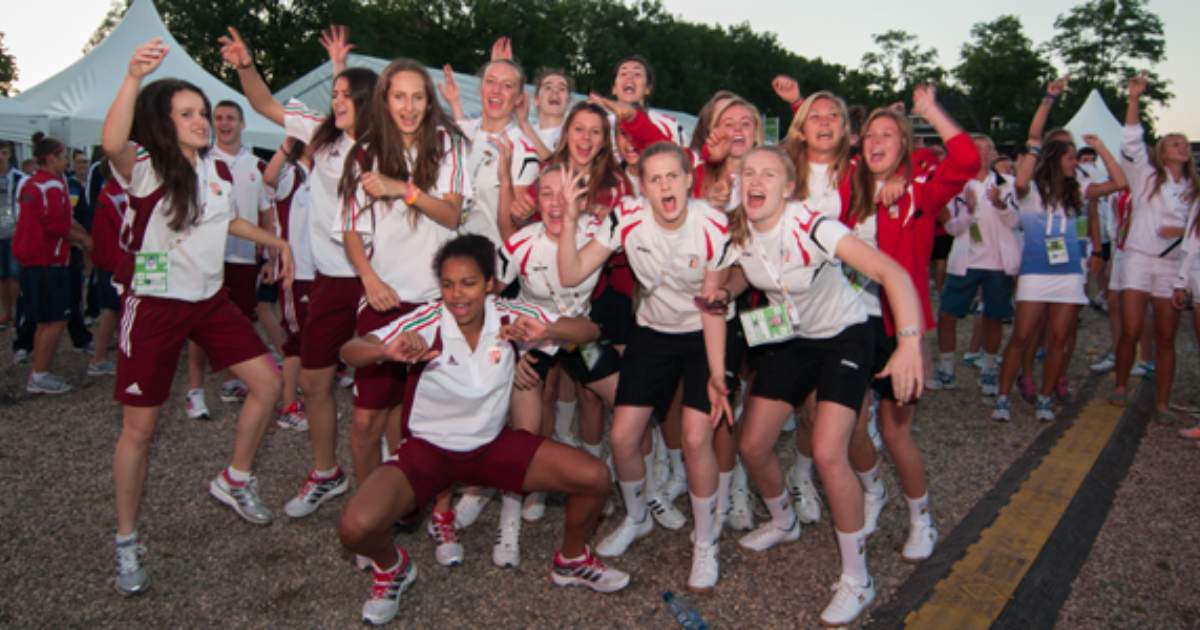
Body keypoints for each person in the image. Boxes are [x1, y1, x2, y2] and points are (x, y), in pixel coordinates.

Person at [337, 234, 629, 626]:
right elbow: (350, 350)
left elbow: (589, 331)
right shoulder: (427, 320)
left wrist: (545, 332)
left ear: (490, 283)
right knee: (354, 528)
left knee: (595, 477)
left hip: (491, 446)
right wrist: (384, 350)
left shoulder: (509, 314)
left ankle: (572, 559)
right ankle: (393, 569)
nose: (457, 294)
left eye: (469, 283)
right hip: (429, 451)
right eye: (448, 284)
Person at [102, 38, 294, 595]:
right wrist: (133, 76)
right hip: (155, 302)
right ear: (163, 124)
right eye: (186, 114)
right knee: (139, 429)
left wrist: (276, 242)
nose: (201, 121)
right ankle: (126, 539)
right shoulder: (145, 166)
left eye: (202, 112)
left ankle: (235, 478)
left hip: (208, 300)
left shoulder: (217, 171)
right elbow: (111, 141)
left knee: (268, 382)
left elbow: (226, 222)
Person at [720, 145, 924, 626]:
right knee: (752, 445)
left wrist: (910, 342)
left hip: (844, 335)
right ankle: (784, 520)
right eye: (749, 173)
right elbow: (740, 269)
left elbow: (891, 272)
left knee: (830, 452)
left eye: (769, 174)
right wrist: (725, 290)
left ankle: (858, 579)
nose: (756, 181)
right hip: (791, 338)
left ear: (789, 187)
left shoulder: (812, 224)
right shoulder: (736, 229)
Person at [558, 142, 738, 592]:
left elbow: (713, 305)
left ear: (689, 179)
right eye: (654, 179)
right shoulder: (627, 217)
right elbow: (571, 274)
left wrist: (718, 374)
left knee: (696, 437)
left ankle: (706, 541)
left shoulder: (712, 224)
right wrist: (569, 219)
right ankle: (638, 517)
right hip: (653, 331)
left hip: (705, 331)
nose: (664, 186)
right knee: (623, 436)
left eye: (672, 176)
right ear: (642, 187)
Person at [222, 25, 377, 518]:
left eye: (346, 95)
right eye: (335, 94)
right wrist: (246, 66)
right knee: (314, 382)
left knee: (384, 393)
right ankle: (326, 472)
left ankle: (394, 482)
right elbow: (264, 103)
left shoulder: (391, 146)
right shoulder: (321, 136)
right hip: (331, 277)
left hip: (381, 279)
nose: (337, 101)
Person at [841, 84, 979, 570]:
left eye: (888, 134)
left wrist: (929, 111)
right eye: (870, 134)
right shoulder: (848, 190)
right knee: (847, 427)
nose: (876, 141)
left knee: (895, 431)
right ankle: (873, 489)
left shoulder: (920, 191)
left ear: (904, 144)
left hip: (901, 328)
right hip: (849, 324)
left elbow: (965, 160)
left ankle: (922, 518)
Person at [335, 58, 468, 493]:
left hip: (434, 302)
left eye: (417, 97)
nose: (408, 107)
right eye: (399, 97)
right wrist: (369, 279)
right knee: (367, 418)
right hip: (385, 297)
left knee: (425, 417)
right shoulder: (365, 152)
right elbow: (351, 229)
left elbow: (450, 215)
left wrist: (403, 189)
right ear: (385, 101)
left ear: (429, 103)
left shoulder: (448, 144)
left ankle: (417, 502)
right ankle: (370, 507)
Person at [991, 126, 1124, 422]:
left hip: (1069, 274)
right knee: (1021, 336)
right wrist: (1034, 143)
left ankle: (1045, 396)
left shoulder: (1078, 189)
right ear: (1054, 159)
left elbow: (1120, 182)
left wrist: (1101, 147)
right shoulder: (1030, 190)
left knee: (1059, 339)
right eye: (1070, 158)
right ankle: (1002, 397)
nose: (1075, 163)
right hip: (1035, 271)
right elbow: (1021, 179)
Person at [1111, 71, 1198, 419]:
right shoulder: (1146, 177)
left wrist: (1180, 230)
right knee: (1131, 328)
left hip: (1173, 265)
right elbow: (1132, 141)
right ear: (1162, 152)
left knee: (1165, 335)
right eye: (1176, 143)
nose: (1183, 147)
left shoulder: (1194, 188)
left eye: (1185, 143)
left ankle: (1162, 403)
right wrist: (1134, 99)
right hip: (1139, 258)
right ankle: (1120, 385)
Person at [184, 99, 273, 419]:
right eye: (219, 118)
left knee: (239, 321)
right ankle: (195, 392)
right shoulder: (200, 161)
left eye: (230, 118)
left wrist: (271, 253)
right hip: (209, 258)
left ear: (242, 124)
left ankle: (232, 381)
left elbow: (266, 212)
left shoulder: (257, 165)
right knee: (199, 328)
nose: (224, 123)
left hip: (244, 257)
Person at [930, 134, 1020, 396]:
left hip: (998, 263)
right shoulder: (957, 185)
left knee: (993, 316)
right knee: (947, 313)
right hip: (965, 261)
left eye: (987, 149)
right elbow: (950, 228)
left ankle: (989, 368)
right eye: (976, 149)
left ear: (994, 154)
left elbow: (1015, 222)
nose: (981, 154)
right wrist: (968, 212)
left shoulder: (1007, 183)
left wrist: (1001, 205)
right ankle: (947, 368)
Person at [12, 136, 93, 394]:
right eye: (63, 156)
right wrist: (88, 242)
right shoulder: (51, 186)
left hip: (37, 260)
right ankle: (39, 374)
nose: (67, 161)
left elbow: (63, 221)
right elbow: (60, 226)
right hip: (48, 260)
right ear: (51, 158)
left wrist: (84, 236)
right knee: (56, 319)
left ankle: (39, 370)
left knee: (46, 319)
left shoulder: (33, 183)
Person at [263, 137, 314, 431]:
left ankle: (308, 401)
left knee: (314, 341)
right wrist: (287, 144)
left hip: (321, 271)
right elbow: (269, 178)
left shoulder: (323, 175)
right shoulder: (292, 173)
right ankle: (288, 405)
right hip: (297, 272)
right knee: (297, 341)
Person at [86, 164, 125, 376]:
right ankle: (98, 358)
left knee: (117, 309)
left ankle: (116, 351)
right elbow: (130, 228)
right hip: (114, 261)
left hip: (113, 259)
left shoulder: (113, 191)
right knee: (111, 309)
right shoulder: (114, 194)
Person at [0, 141, 24, 329]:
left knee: (15, 274)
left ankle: (17, 312)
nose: (1, 157)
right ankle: (5, 312)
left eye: (4, 152)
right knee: (1, 276)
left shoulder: (20, 178)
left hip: (15, 231)